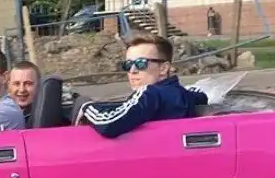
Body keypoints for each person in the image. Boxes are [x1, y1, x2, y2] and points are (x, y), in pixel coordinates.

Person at [72, 32, 208, 138]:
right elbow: (201, 96)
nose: (132, 71)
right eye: (128, 65)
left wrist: (85, 106)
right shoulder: (181, 94)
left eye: (140, 63)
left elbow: (109, 124)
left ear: (163, 68)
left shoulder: (150, 93)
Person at [7, 60, 40, 127]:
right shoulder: (0, 115)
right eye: (16, 84)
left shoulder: (47, 116)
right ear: (9, 86)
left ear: (39, 85)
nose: (22, 90)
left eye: (28, 84)